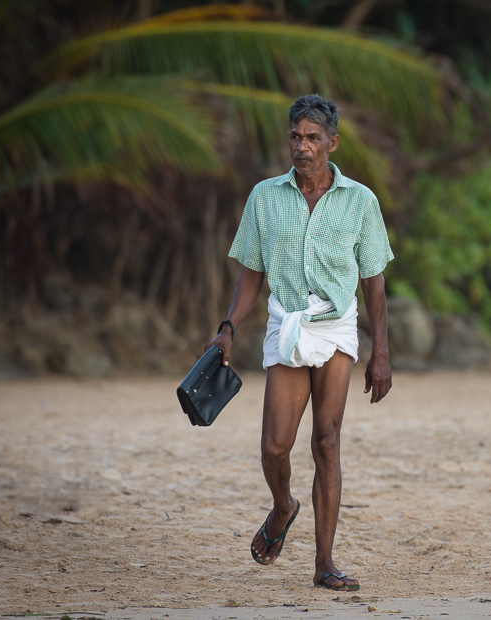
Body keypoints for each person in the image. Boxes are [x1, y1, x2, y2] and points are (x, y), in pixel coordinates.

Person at [205, 94, 393, 592]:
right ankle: (284, 505)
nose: (302, 146)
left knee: (327, 441)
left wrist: (382, 352)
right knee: (274, 447)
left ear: (332, 143)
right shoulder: (265, 197)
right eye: (295, 136)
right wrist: (228, 328)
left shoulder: (361, 201)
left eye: (312, 138)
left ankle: (324, 563)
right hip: (287, 324)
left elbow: (374, 281)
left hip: (335, 327)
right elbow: (250, 274)